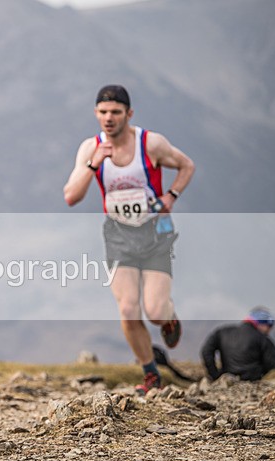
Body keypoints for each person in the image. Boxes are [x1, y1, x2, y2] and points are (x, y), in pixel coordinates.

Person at [64, 85, 195, 395]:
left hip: (154, 233)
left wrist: (172, 195)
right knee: (127, 308)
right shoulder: (90, 148)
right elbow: (71, 195)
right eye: (103, 112)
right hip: (118, 235)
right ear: (96, 114)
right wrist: (94, 163)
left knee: (154, 310)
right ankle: (150, 373)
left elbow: (186, 165)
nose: (109, 118)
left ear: (129, 114)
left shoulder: (150, 143)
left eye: (115, 112)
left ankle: (169, 315)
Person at [201, 307, 275, 381]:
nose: (269, 331)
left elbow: (206, 351)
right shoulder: (262, 338)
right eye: (269, 326)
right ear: (263, 324)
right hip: (253, 380)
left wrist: (215, 375)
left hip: (227, 378)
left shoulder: (222, 332)